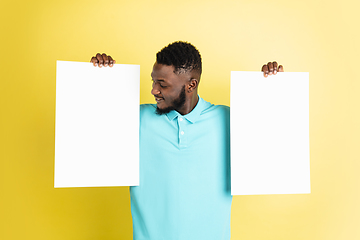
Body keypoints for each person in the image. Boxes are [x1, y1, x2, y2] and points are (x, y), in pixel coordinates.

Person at [90, 41, 283, 240]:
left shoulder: (230, 120)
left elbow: (276, 140)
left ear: (191, 85)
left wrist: (272, 87)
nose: (154, 90)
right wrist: (100, 78)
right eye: (153, 81)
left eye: (162, 84)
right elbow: (91, 129)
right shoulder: (136, 118)